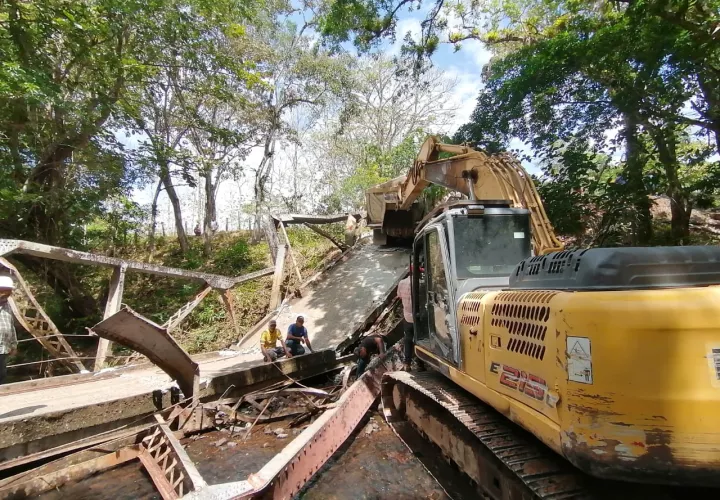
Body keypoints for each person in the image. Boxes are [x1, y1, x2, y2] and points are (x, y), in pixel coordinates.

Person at [0, 276, 17, 385]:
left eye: (8, 291)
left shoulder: (7, 306)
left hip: (3, 347)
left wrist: (14, 345)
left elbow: (11, 326)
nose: (6, 293)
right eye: (4, 290)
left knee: (1, 374)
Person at [397, 269, 414, 371]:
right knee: (419, 340)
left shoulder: (401, 283)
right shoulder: (421, 282)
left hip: (407, 316)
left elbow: (399, 296)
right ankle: (421, 364)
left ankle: (407, 363)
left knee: (408, 339)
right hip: (417, 317)